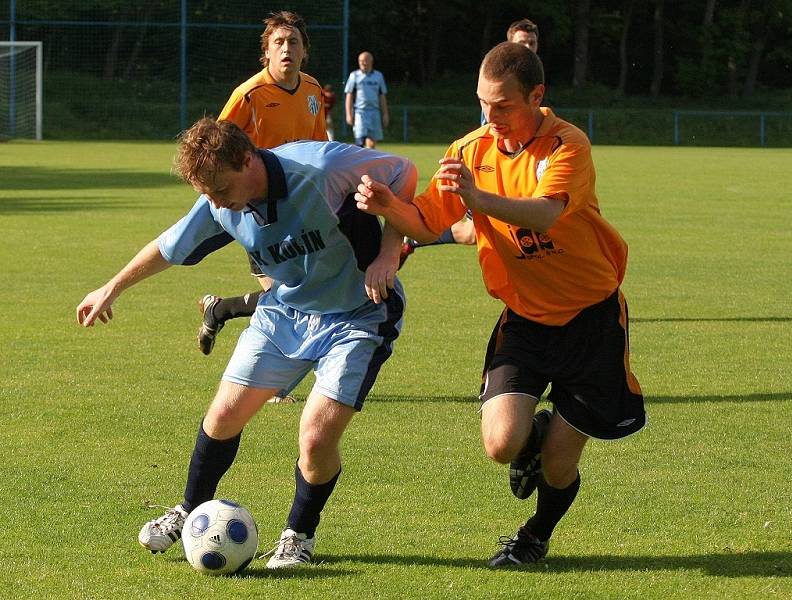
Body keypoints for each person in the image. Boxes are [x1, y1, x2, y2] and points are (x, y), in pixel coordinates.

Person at [76, 118, 416, 568]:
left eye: (219, 189)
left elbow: (404, 171)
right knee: (222, 414)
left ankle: (299, 536)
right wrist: (112, 287)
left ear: (247, 159)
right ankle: (188, 509)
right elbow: (169, 246)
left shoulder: (320, 167)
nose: (215, 203)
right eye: (208, 194)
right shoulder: (220, 202)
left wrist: (390, 251)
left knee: (315, 438)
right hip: (284, 314)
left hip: (358, 315)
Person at [355, 42, 645, 567]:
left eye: (503, 106)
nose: (490, 118)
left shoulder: (566, 145)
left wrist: (477, 198)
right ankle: (533, 431)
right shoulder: (468, 151)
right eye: (483, 104)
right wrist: (387, 206)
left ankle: (535, 535)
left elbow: (543, 215)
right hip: (526, 320)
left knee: (558, 469)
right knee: (501, 443)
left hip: (592, 320)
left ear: (536, 96)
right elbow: (425, 222)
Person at [197, 11, 328, 359]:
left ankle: (220, 310)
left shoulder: (313, 90)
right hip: (256, 210)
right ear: (266, 52)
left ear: (304, 51)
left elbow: (320, 149)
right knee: (286, 298)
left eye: (293, 42)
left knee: (297, 296)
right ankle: (272, 379)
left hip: (300, 207)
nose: (287, 48)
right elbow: (214, 147)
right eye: (279, 43)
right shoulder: (249, 95)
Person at [399, 18, 540, 267]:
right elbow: (489, 134)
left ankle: (413, 240)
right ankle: (412, 237)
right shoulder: (497, 83)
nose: (527, 48)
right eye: (521, 43)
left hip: (510, 174)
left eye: (531, 42)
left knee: (474, 233)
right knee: (476, 232)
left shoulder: (529, 82)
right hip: (486, 172)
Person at [344, 51, 389, 148]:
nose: (363, 63)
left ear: (371, 61)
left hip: (375, 112)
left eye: (365, 61)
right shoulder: (354, 76)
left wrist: (385, 114)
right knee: (360, 142)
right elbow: (349, 95)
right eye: (360, 61)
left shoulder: (378, 76)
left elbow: (382, 96)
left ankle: (369, 162)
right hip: (360, 113)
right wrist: (348, 114)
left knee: (372, 144)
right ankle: (358, 162)